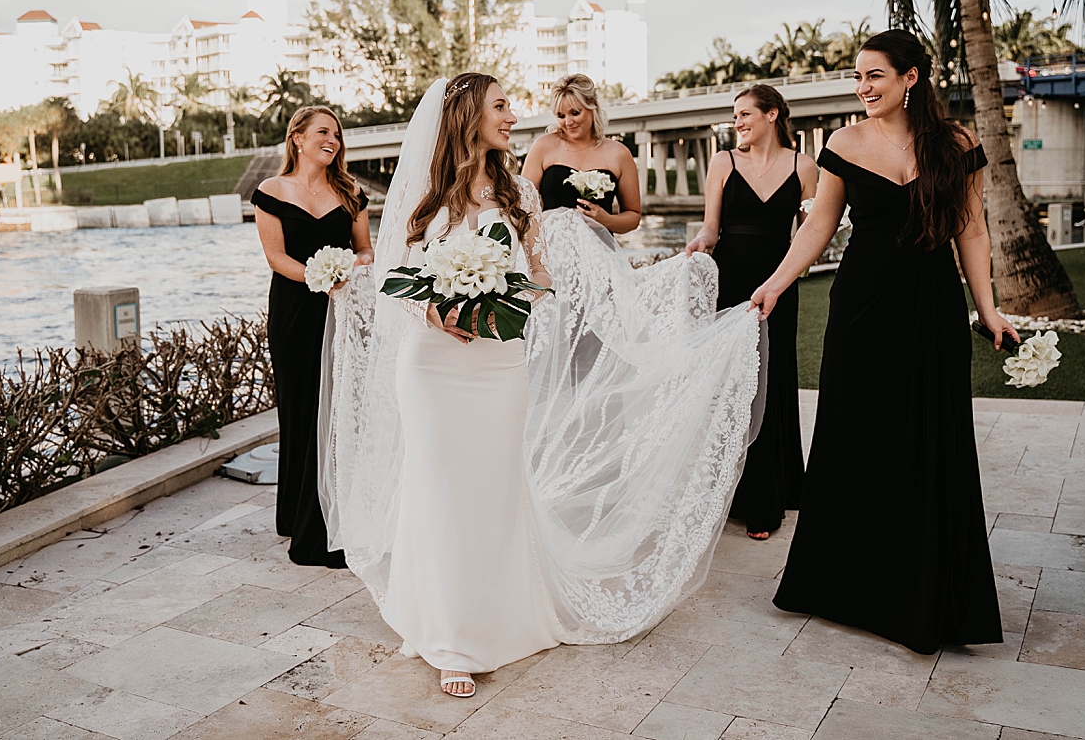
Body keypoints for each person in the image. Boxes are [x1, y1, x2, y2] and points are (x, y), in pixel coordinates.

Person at [319, 74, 769, 698]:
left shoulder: (521, 194)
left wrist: (502, 296)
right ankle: (446, 630)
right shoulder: (425, 194)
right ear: (468, 115)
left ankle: (497, 614)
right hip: (431, 363)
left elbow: (539, 276)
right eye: (500, 106)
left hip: (498, 362)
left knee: (494, 485)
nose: (512, 116)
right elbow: (394, 274)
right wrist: (437, 307)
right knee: (438, 485)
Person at [750, 29, 1012, 655]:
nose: (863, 88)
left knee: (930, 438)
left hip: (932, 308)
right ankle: (848, 586)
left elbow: (971, 231)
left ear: (910, 78)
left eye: (875, 76)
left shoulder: (958, 145)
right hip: (862, 307)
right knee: (857, 437)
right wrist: (777, 284)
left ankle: (924, 591)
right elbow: (818, 225)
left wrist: (988, 309)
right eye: (858, 77)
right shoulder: (843, 142)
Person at [687, 84, 813, 540]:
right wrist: (701, 244)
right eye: (734, 115)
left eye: (744, 114)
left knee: (772, 380)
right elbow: (710, 228)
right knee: (731, 385)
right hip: (731, 284)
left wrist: (784, 278)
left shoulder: (805, 167)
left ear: (773, 114)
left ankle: (769, 498)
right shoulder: (723, 162)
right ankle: (729, 491)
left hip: (778, 285)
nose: (737, 121)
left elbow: (809, 235)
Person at [251, 106, 372, 569]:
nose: (333, 140)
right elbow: (276, 258)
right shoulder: (271, 192)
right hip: (295, 313)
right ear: (297, 138)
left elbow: (364, 248)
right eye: (323, 132)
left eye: (337, 134)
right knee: (301, 411)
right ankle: (300, 522)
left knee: (338, 413)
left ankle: (332, 516)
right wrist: (319, 276)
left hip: (342, 311)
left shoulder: (349, 191)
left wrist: (354, 267)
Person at [521, 73, 642, 234]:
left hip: (600, 252)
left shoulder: (619, 154)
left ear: (592, 106)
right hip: (552, 250)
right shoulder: (543, 147)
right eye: (561, 116)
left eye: (575, 113)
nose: (568, 122)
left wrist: (606, 220)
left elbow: (633, 216)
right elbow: (521, 207)